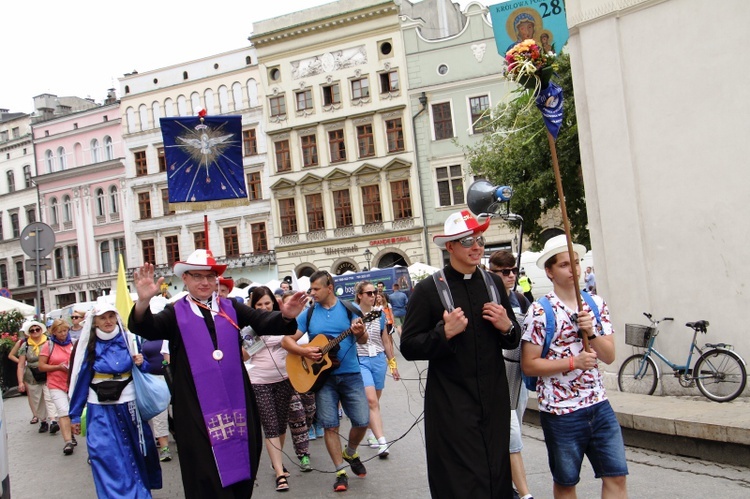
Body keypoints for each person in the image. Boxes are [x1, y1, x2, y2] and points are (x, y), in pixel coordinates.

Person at [128, 249, 308, 499]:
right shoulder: (175, 312)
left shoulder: (231, 307)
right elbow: (147, 327)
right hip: (196, 410)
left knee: (243, 461)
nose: (204, 282)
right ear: (186, 279)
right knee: (205, 472)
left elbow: (263, 321)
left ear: (216, 280)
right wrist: (144, 302)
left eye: (209, 276)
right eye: (197, 276)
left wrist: (286, 316)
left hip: (237, 403)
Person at [400, 210, 520, 498]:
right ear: (450, 246)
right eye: (467, 241)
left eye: (479, 239)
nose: (476, 246)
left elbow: (514, 338)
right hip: (452, 403)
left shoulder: (493, 284)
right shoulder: (429, 290)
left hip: (493, 399)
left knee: (496, 470)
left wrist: (506, 327)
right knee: (461, 479)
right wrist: (444, 333)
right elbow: (409, 346)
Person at [521, 235, 627, 499]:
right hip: (560, 412)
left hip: (598, 404)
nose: (574, 270)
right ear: (550, 271)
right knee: (567, 483)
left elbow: (610, 356)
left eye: (576, 263)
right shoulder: (540, 311)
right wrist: (572, 362)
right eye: (565, 265)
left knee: (616, 476)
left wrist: (590, 332)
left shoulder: (595, 304)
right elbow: (529, 364)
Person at [281, 270, 368, 493]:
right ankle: (340, 471)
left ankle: (350, 451)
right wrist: (305, 351)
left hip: (350, 374)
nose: (313, 293)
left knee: (362, 421)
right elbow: (287, 341)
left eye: (316, 289)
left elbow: (363, 339)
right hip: (322, 379)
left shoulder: (350, 309)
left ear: (330, 288)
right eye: (311, 289)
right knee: (330, 425)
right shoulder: (308, 314)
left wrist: (360, 330)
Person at [68, 303, 162, 498]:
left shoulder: (129, 339)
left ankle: (141, 492)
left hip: (130, 406)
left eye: (111, 316)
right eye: (103, 318)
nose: (108, 321)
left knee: (138, 452)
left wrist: (141, 362)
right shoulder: (88, 345)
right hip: (101, 409)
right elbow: (81, 380)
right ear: (95, 322)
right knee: (106, 455)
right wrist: (75, 415)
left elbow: (144, 369)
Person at [246, 286, 307, 492]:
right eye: (259, 304)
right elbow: (243, 356)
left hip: (284, 378)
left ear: (273, 302)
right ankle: (280, 473)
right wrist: (256, 341)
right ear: (253, 306)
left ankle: (276, 461)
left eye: (266, 303)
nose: (263, 307)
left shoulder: (282, 322)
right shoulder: (249, 327)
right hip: (259, 381)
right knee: (270, 425)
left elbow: (292, 341)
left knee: (281, 426)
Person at [489, 250, 534, 499]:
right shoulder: (490, 301)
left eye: (513, 271)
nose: (511, 275)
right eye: (504, 272)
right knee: (512, 436)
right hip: (499, 378)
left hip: (519, 375)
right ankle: (525, 494)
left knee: (510, 434)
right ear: (492, 273)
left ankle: (507, 485)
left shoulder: (519, 299)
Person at [354, 281, 400, 458]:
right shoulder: (353, 314)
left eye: (374, 293)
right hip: (361, 360)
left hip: (379, 359)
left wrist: (393, 365)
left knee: (375, 401)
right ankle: (382, 442)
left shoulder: (380, 314)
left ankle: (372, 431)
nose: (373, 296)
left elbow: (386, 341)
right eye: (369, 293)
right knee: (371, 401)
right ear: (360, 295)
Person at [37, 319, 76, 455]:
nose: (63, 334)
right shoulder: (49, 345)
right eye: (59, 332)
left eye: (65, 331)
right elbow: (41, 366)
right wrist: (58, 367)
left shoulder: (73, 343)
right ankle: (68, 442)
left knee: (73, 411)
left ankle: (71, 432)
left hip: (72, 383)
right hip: (55, 384)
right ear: (53, 332)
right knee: (63, 411)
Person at [16, 321, 57, 434]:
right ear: (28, 333)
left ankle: (53, 420)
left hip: (48, 373)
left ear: (41, 330)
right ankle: (43, 421)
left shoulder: (49, 342)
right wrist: (20, 382)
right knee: (37, 399)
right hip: (32, 376)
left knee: (50, 397)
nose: (35, 332)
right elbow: (20, 365)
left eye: (37, 329)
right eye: (32, 330)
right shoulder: (25, 345)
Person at [140, 338, 172, 462]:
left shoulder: (169, 333)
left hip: (172, 376)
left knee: (177, 412)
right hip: (154, 379)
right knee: (160, 414)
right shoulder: (143, 338)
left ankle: (183, 441)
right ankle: (164, 447)